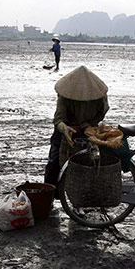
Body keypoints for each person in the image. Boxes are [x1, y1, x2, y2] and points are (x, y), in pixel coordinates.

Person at [43, 65, 109, 193]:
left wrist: (89, 124)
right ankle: (50, 198)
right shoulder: (65, 95)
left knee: (89, 163)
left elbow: (102, 112)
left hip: (87, 130)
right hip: (65, 130)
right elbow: (58, 118)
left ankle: (86, 197)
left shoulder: (99, 96)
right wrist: (64, 128)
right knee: (54, 163)